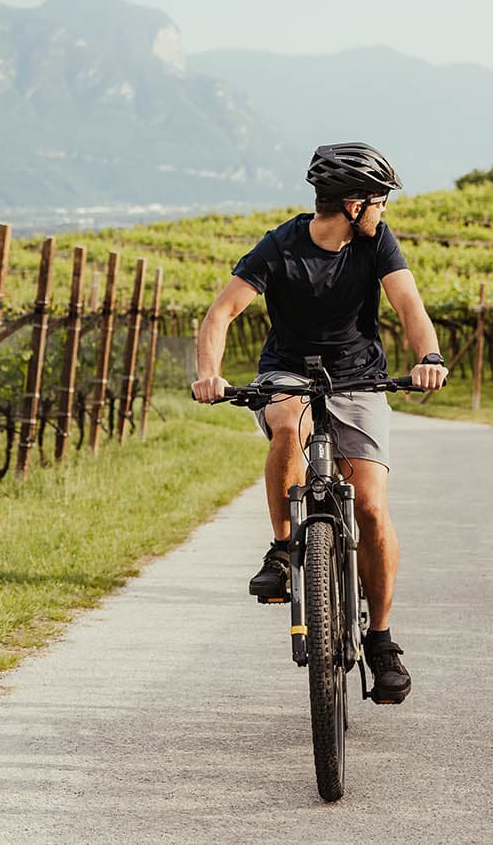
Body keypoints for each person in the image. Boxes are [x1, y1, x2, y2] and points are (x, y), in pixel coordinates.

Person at [191, 141, 448, 705]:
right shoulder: (279, 247)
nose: (383, 211)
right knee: (288, 423)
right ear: (353, 204)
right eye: (379, 201)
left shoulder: (377, 242)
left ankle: (381, 640)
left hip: (359, 379)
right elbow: (221, 312)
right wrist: (208, 372)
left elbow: (409, 307)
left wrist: (428, 357)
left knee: (373, 506)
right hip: (289, 373)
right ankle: (284, 549)